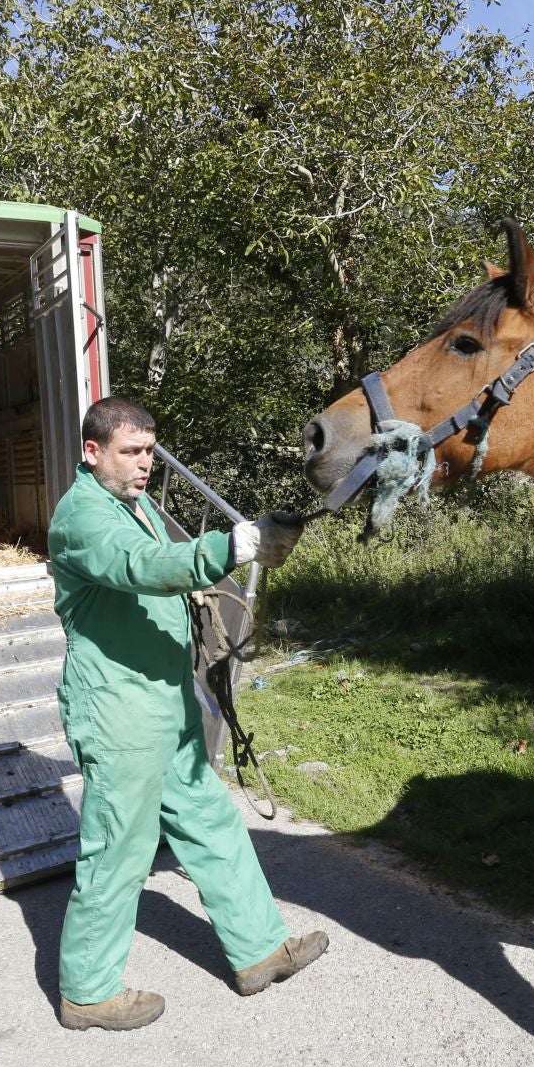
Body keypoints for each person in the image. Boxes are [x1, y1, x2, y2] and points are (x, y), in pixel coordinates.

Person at [47, 395, 326, 1031]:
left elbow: (161, 573)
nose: (145, 464)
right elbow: (143, 566)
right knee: (118, 847)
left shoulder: (135, 503)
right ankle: (87, 992)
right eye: (131, 452)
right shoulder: (82, 516)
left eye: (149, 451)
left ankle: (258, 951)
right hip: (118, 709)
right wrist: (236, 543)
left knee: (209, 819)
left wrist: (216, 572)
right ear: (93, 453)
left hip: (164, 701)